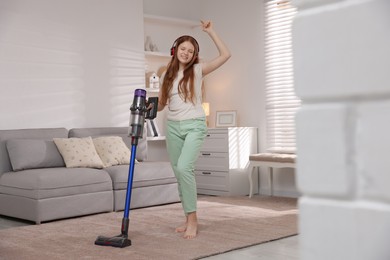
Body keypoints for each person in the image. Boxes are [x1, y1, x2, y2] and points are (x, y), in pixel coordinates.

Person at [157, 20, 231, 239]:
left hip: (194, 125)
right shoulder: (165, 75)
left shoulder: (198, 70)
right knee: (179, 173)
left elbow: (226, 55)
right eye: (183, 49)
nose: (186, 53)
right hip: (171, 126)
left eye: (190, 51)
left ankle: (194, 220)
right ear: (175, 50)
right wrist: (148, 107)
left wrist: (211, 31)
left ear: (194, 55)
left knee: (184, 168)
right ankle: (188, 217)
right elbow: (162, 104)